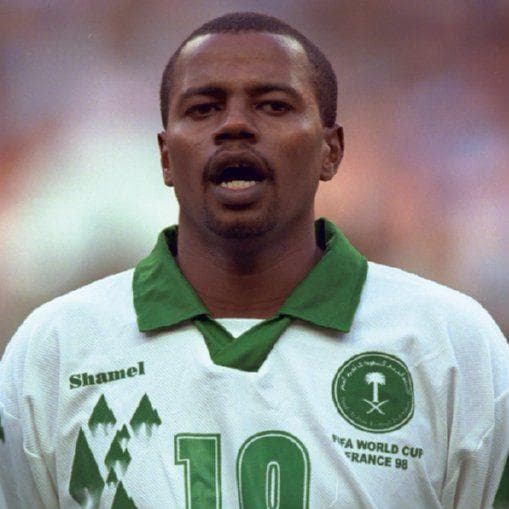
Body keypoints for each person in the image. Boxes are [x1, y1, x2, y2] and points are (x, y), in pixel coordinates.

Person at [0, 11, 508, 509]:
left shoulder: (451, 345)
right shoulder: (57, 350)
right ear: (165, 157)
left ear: (331, 150)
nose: (235, 125)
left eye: (273, 106)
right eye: (203, 109)